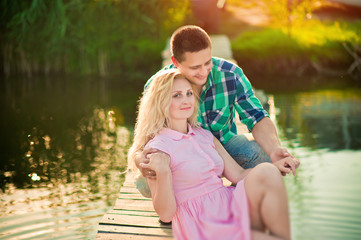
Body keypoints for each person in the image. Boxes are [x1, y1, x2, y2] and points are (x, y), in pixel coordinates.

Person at [128, 69, 298, 240]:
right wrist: (163, 171)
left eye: (188, 93)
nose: (186, 100)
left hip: (227, 203)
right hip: (201, 221)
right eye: (177, 95)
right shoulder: (157, 148)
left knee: (267, 172)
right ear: (161, 102)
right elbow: (165, 215)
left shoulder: (203, 135)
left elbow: (238, 174)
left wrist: (274, 167)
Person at [135, 25, 299, 184]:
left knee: (261, 155)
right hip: (182, 154)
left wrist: (274, 149)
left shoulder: (230, 74)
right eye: (195, 67)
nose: (204, 71)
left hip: (226, 147)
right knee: (146, 183)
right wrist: (139, 158)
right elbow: (145, 136)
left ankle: (239, 200)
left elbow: (257, 117)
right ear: (176, 62)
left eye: (207, 62)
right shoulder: (156, 86)